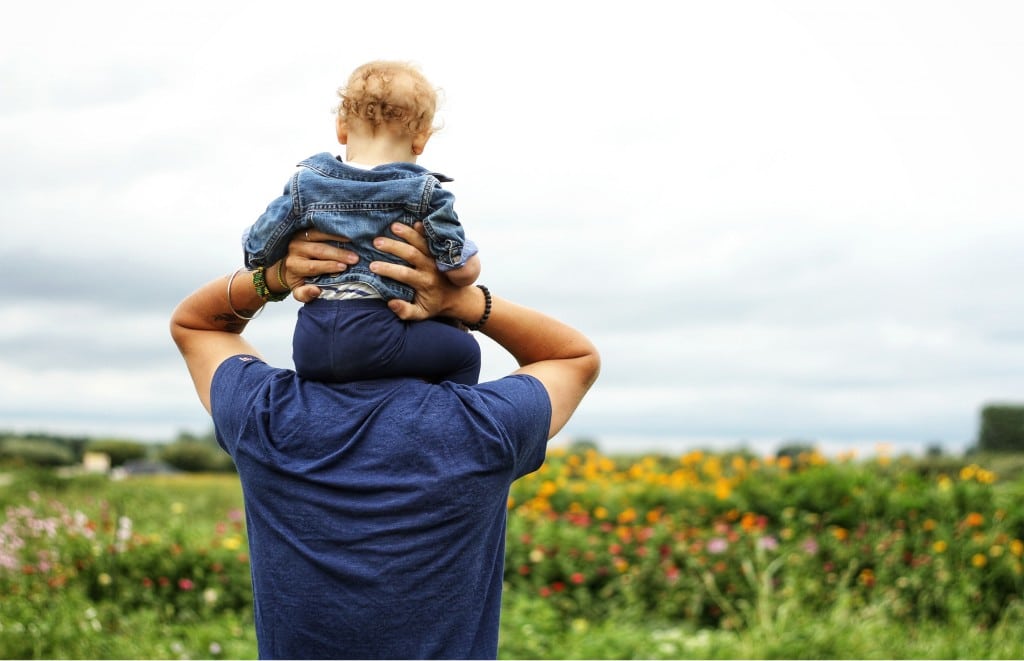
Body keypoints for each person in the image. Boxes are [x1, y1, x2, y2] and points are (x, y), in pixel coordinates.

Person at [170, 223, 600, 659]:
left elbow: (198, 326)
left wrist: (276, 277)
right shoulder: (484, 427)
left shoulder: (266, 415)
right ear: (445, 332)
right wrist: (466, 301)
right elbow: (572, 357)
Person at [241, 60, 482, 385]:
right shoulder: (425, 192)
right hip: (379, 334)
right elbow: (459, 269)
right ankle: (447, 424)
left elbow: (257, 252)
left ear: (341, 128)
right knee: (465, 351)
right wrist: (467, 258)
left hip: (310, 341)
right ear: (420, 139)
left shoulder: (306, 184)